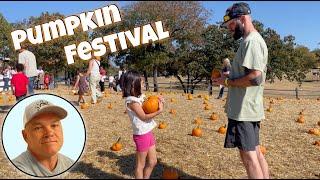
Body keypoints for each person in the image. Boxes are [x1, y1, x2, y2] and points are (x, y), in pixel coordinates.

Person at [212, 2, 269, 179]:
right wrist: (229, 75)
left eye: (230, 25)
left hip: (244, 110)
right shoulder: (250, 41)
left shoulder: (251, 41)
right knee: (256, 154)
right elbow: (248, 73)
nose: (229, 29)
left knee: (249, 157)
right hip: (248, 108)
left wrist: (227, 81)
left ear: (242, 19)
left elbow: (255, 77)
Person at [12, 99, 74, 177]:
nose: (49, 133)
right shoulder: (16, 171)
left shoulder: (71, 164)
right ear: (25, 136)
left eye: (54, 125)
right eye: (38, 128)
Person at [122, 70, 164, 179]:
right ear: (133, 85)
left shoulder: (139, 97)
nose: (143, 85)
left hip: (147, 132)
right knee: (140, 165)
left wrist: (157, 100)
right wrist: (158, 112)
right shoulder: (132, 102)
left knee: (153, 161)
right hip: (141, 135)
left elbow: (148, 102)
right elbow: (144, 117)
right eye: (141, 83)